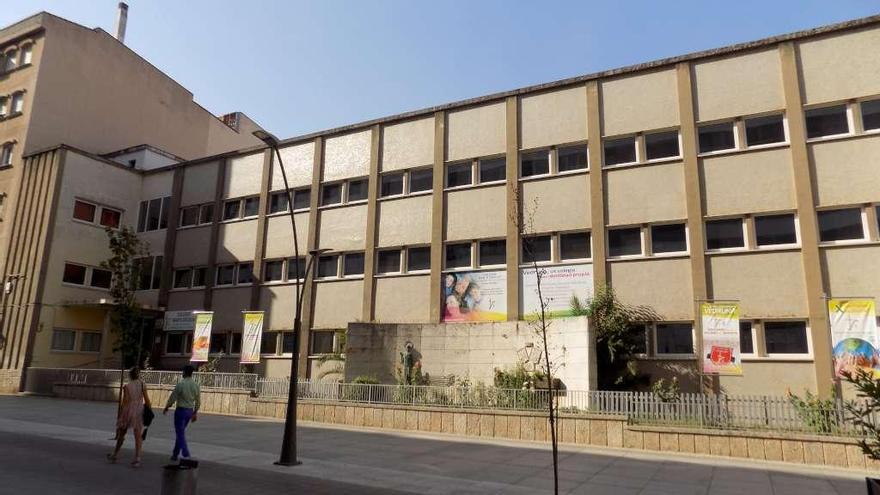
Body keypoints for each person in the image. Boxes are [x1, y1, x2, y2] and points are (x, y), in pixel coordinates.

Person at [107, 367, 150, 467]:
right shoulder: (143, 384)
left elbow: (125, 401)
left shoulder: (127, 386)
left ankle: (115, 454)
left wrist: (121, 413)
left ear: (130, 375)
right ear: (138, 375)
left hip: (128, 411)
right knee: (138, 435)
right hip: (139, 410)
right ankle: (137, 458)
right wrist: (149, 411)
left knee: (122, 433)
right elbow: (147, 400)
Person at [163, 365, 201, 461]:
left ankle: (185, 452)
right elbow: (198, 401)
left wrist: (167, 406)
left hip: (180, 411)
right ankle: (175, 454)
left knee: (180, 433)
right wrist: (195, 412)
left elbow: (173, 397)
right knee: (181, 433)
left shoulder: (181, 384)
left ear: (184, 372)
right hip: (189, 411)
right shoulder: (196, 385)